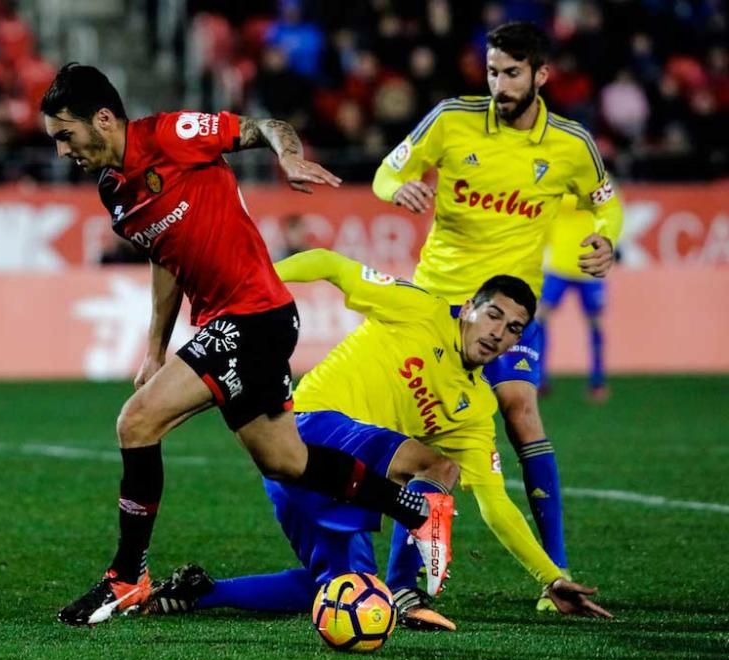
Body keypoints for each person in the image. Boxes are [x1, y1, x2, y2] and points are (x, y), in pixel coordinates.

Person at [41, 64, 454, 627]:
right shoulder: (114, 190)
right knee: (285, 460)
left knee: (136, 423)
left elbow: (266, 125)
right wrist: (155, 348)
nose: (61, 150)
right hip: (235, 321)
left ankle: (126, 577)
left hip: (254, 313)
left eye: (65, 134)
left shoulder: (169, 136)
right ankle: (413, 506)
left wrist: (286, 155)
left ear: (104, 119)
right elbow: (166, 258)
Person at [145, 250, 612, 628]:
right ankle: (407, 589)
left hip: (331, 479)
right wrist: (254, 291)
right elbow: (330, 264)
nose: (497, 332)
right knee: (437, 467)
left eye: (513, 329)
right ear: (469, 307)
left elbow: (496, 504)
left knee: (348, 593)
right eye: (493, 315)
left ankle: (201, 593)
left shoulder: (476, 410)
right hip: (302, 429)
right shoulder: (418, 308)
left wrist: (549, 578)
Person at [371, 22, 624, 611]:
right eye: (492, 72)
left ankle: (555, 575)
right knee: (433, 439)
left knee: (522, 412)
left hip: (511, 311)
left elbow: (605, 205)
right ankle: (400, 582)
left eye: (511, 73)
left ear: (541, 75)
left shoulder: (571, 143)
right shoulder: (452, 118)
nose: (499, 84)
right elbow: (390, 169)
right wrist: (396, 190)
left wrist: (605, 240)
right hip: (438, 305)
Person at [539, 195, 610, 401]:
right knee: (540, 317)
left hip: (590, 267)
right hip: (559, 264)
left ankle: (597, 380)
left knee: (595, 321)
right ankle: (539, 378)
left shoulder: (596, 181)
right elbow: (544, 217)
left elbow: (611, 213)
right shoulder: (556, 181)